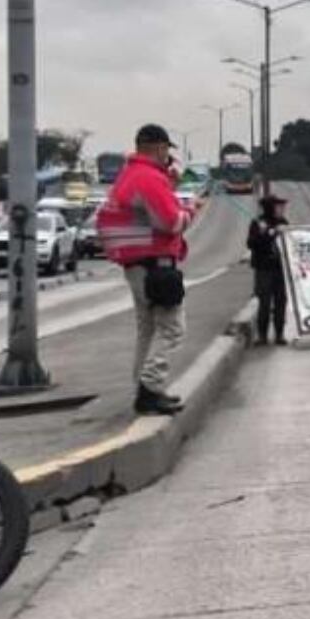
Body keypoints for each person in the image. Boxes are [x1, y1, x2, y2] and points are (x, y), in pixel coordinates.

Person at [96, 124, 194, 415]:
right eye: (166, 150)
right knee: (173, 328)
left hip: (137, 264)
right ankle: (150, 388)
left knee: (148, 329)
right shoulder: (148, 178)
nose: (167, 156)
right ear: (159, 148)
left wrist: (170, 186)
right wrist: (191, 210)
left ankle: (144, 386)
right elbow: (170, 222)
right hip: (154, 264)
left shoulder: (129, 175)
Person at [247, 193, 291, 346]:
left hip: (280, 269)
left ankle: (279, 334)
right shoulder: (257, 223)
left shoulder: (283, 222)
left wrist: (283, 231)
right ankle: (262, 336)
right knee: (264, 303)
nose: (281, 209)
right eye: (278, 206)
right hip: (264, 269)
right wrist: (268, 233)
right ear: (270, 207)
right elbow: (251, 244)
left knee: (281, 302)